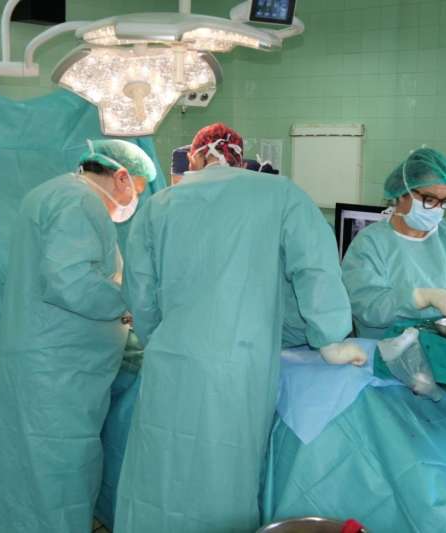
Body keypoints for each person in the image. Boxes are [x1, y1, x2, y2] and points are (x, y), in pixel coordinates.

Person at [113, 123, 363, 533]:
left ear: (195, 157)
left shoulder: (159, 205)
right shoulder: (280, 194)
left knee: (161, 472)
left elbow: (140, 293)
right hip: (239, 368)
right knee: (223, 478)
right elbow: (315, 268)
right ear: (239, 157)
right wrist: (330, 338)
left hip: (170, 363)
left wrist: (161, 338)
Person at [0, 139, 157, 533]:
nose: (132, 202)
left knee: (26, 478)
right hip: (57, 375)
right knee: (56, 479)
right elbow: (71, 282)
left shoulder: (50, 193)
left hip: (44, 363)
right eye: (137, 190)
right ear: (121, 177)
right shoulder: (79, 202)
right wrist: (128, 300)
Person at [342, 148, 446, 339]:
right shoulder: (370, 244)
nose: (438, 208)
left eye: (445, 201)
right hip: (388, 350)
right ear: (402, 194)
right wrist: (420, 297)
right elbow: (366, 305)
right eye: (429, 200)